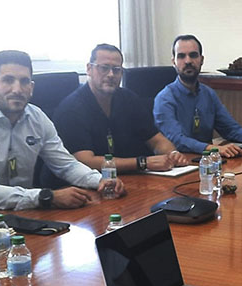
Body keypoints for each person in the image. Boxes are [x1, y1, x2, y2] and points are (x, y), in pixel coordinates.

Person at [0, 50, 124, 210]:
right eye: (8, 80)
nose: (17, 89)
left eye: (24, 82)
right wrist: (48, 197)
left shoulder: (36, 117)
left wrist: (101, 180)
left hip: (26, 210)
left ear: (31, 88)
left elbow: (66, 165)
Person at [46, 43, 190, 184]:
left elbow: (156, 140)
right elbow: (85, 161)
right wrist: (141, 163)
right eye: (104, 68)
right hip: (86, 186)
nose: (111, 75)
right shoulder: (72, 109)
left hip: (131, 181)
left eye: (116, 70)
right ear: (89, 69)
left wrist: (172, 154)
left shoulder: (128, 98)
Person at [153, 35, 242, 157]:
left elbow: (230, 129)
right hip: (178, 164)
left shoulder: (208, 94)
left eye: (193, 55)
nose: (188, 61)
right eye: (181, 56)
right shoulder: (164, 99)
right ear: (173, 62)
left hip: (208, 162)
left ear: (202, 60)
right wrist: (213, 149)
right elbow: (177, 140)